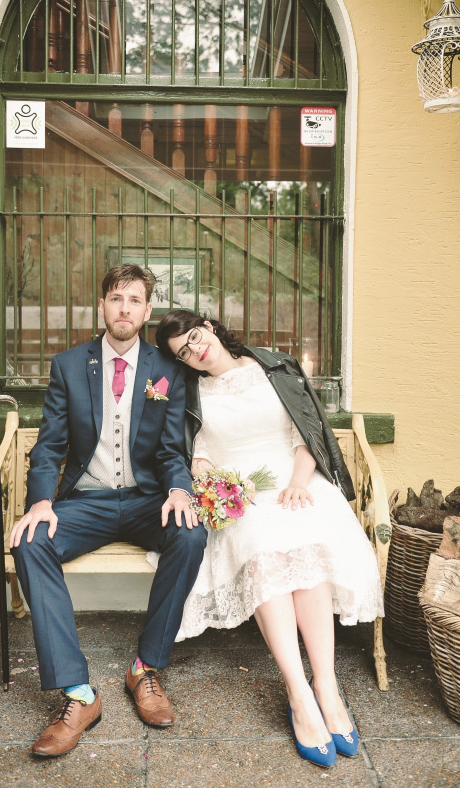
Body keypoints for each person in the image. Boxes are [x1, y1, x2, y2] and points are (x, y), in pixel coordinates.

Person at [156, 311, 384, 769]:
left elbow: (306, 430)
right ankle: (298, 694)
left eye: (195, 338)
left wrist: (300, 482)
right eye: (183, 351)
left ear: (210, 327)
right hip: (241, 492)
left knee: (306, 544)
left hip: (296, 477)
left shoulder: (273, 365)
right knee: (264, 550)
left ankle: (326, 685)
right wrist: (217, 486)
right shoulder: (191, 393)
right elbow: (195, 455)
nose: (195, 350)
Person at [10, 265, 206, 758]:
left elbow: (168, 451)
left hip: (143, 501)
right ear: (103, 305)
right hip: (87, 501)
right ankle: (78, 692)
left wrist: (179, 490)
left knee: (190, 535)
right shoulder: (70, 365)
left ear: (147, 310)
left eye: (135, 300)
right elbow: (51, 446)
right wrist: (40, 502)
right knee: (30, 541)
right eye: (116, 298)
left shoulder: (167, 370)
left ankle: (146, 668)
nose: (124, 308)